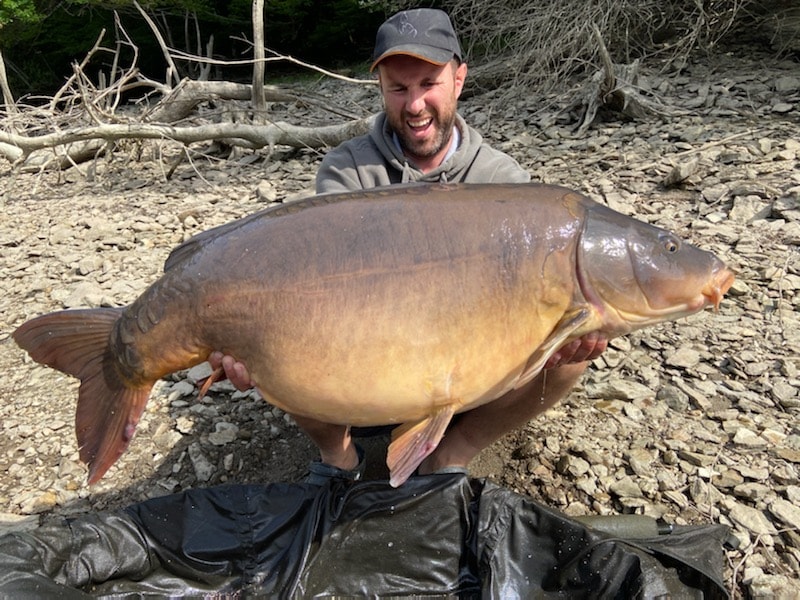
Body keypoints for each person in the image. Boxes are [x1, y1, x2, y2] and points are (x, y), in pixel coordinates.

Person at [210, 8, 607, 483]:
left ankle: (451, 453)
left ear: (459, 80)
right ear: (380, 89)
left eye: (428, 84)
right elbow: (315, 285)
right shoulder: (347, 171)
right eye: (399, 89)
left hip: (472, 367)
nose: (415, 104)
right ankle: (338, 457)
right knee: (282, 334)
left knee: (573, 351)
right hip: (367, 359)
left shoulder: (502, 183)